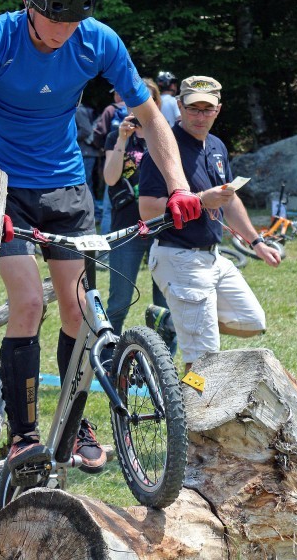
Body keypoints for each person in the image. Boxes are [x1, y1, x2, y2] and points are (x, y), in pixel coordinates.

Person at [0, 0, 201, 483]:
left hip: (67, 189)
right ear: (30, 1)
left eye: (74, 19)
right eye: (53, 19)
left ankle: (74, 424)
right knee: (29, 302)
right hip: (1, 189)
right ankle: (23, 434)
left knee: (79, 312)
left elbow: (152, 120)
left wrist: (178, 186)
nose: (62, 31)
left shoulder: (97, 40)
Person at [139, 75, 281, 373]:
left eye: (207, 109)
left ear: (218, 109)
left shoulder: (216, 145)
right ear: (179, 106)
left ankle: (173, 322)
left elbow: (229, 200)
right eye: (193, 108)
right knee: (204, 358)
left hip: (213, 257)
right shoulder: (164, 147)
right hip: (179, 255)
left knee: (252, 321)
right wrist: (201, 200)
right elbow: (147, 209)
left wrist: (257, 243)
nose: (200, 116)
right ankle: (193, 416)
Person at [103, 78, 169, 340]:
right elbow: (109, 178)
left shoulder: (164, 134)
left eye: (148, 99)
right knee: (119, 300)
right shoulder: (116, 135)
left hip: (161, 226)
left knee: (163, 304)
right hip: (126, 226)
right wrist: (121, 138)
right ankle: (108, 357)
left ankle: (159, 360)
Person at [93, 88, 127, 234]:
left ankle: (104, 252)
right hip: (135, 161)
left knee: (108, 208)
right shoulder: (141, 110)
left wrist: (103, 148)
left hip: (113, 158)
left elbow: (98, 133)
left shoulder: (110, 110)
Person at [75, 102, 100, 204]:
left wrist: (68, 136)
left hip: (86, 153)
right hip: (86, 153)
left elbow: (86, 130)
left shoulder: (78, 110)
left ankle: (95, 213)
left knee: (85, 184)